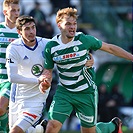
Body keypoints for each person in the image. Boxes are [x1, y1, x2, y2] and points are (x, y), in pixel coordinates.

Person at [39, 7, 133, 133]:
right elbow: (48, 70)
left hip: (85, 92)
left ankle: (113, 126)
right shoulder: (51, 46)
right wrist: (45, 79)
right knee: (51, 127)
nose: (72, 27)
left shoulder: (84, 40)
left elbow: (110, 48)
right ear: (59, 25)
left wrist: (131, 57)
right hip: (64, 92)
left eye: (74, 24)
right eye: (68, 24)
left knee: (90, 132)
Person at [6, 15, 94, 133]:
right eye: (27, 29)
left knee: (15, 131)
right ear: (19, 32)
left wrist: (88, 58)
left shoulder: (46, 44)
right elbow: (12, 77)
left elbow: (69, 46)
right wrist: (37, 80)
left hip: (36, 99)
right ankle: (38, 130)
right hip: (18, 97)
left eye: (33, 27)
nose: (31, 31)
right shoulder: (13, 48)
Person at [0, 0, 20, 132]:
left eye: (18, 10)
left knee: (1, 107)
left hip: (12, 80)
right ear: (5, 12)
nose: (17, 13)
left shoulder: (23, 32)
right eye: (13, 10)